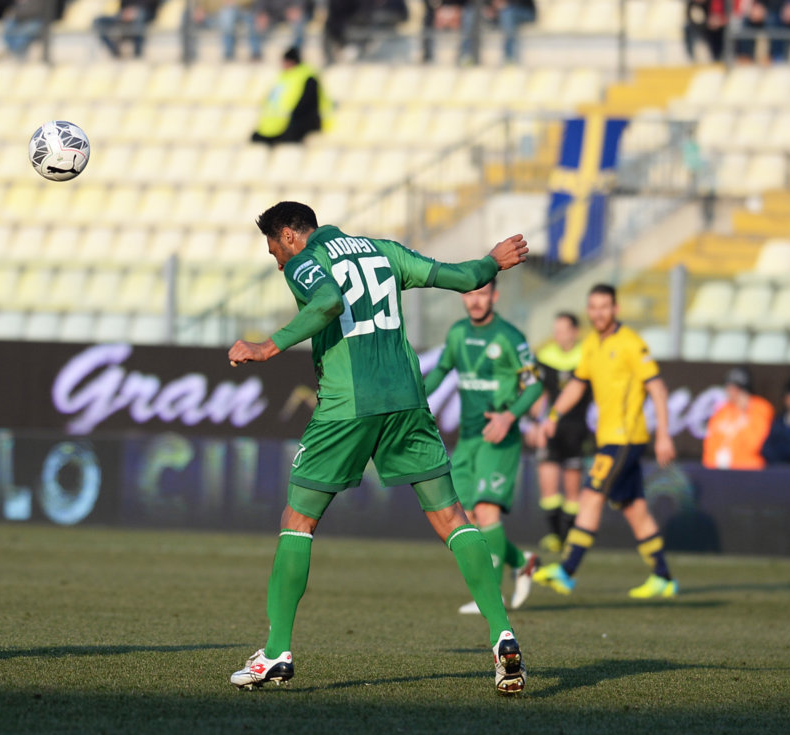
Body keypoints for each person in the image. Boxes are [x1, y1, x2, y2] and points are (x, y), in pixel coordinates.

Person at [226, 200, 531, 695]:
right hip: (407, 400)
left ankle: (277, 652)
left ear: (288, 235)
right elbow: (460, 277)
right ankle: (502, 634)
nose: (277, 262)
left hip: (348, 403)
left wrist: (267, 346)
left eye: (273, 251)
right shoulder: (381, 250)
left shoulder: (306, 261)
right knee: (452, 517)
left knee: (297, 520)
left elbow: (325, 303)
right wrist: (493, 262)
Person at [532, 284, 679, 599]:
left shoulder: (630, 344)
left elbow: (657, 388)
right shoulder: (590, 345)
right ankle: (663, 578)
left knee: (590, 495)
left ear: (616, 309)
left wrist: (664, 433)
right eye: (593, 307)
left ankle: (567, 571)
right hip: (609, 439)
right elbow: (576, 385)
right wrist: (553, 416)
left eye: (604, 307)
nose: (598, 313)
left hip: (624, 439)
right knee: (634, 507)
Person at [422, 281, 542, 616]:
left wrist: (509, 416)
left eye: (482, 293)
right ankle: (522, 562)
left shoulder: (510, 336)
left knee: (487, 513)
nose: (475, 300)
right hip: (469, 439)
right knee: (466, 518)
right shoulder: (458, 333)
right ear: (463, 296)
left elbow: (534, 386)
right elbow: (443, 369)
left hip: (500, 437)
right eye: (470, 293)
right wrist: (417, 396)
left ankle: (491, 596)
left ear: (495, 296)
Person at [533, 311, 592, 553]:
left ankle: (568, 537)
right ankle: (555, 535)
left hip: (577, 430)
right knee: (547, 485)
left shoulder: (587, 356)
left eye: (563, 330)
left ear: (575, 332)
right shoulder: (544, 357)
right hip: (550, 428)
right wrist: (536, 423)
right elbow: (537, 392)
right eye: (555, 330)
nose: (558, 335)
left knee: (572, 489)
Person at [250, 47, 332, 146]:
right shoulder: (283, 77)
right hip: (275, 125)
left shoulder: (307, 77)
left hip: (298, 123)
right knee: (256, 139)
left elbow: (306, 105)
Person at [702, 366, 773, 470]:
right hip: (719, 469)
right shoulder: (722, 410)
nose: (730, 391)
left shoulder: (760, 408)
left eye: (735, 389)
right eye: (728, 387)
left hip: (748, 470)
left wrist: (744, 412)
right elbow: (710, 445)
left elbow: (755, 444)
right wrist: (711, 466)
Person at [458, 0, 538, 66]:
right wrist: (489, 9)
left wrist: (502, 6)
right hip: (499, 15)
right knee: (471, 13)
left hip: (523, 12)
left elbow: (520, 4)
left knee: (507, 13)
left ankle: (509, 57)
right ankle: (466, 54)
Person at [95, 0, 159, 58]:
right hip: (125, 13)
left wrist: (134, 11)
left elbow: (152, 4)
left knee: (139, 17)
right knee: (99, 21)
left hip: (145, 13)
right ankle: (115, 51)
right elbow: (123, 5)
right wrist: (126, 12)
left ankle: (137, 53)